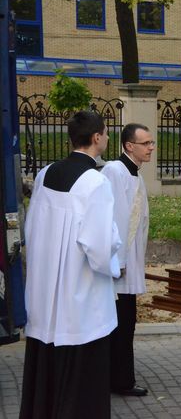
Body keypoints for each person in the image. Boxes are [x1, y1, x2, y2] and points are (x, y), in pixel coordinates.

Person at [20, 111, 121, 418]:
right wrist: (115, 261)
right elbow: (100, 247)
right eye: (104, 134)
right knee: (81, 371)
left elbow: (32, 229)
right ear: (97, 138)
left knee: (46, 362)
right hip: (80, 299)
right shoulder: (96, 182)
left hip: (44, 292)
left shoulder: (45, 173)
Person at [102, 123, 153, 396]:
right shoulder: (114, 171)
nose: (152, 147)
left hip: (129, 261)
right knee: (119, 323)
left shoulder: (136, 175)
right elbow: (114, 219)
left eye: (152, 142)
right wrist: (118, 261)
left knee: (127, 321)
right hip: (117, 264)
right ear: (129, 145)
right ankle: (118, 380)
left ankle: (120, 377)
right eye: (146, 143)